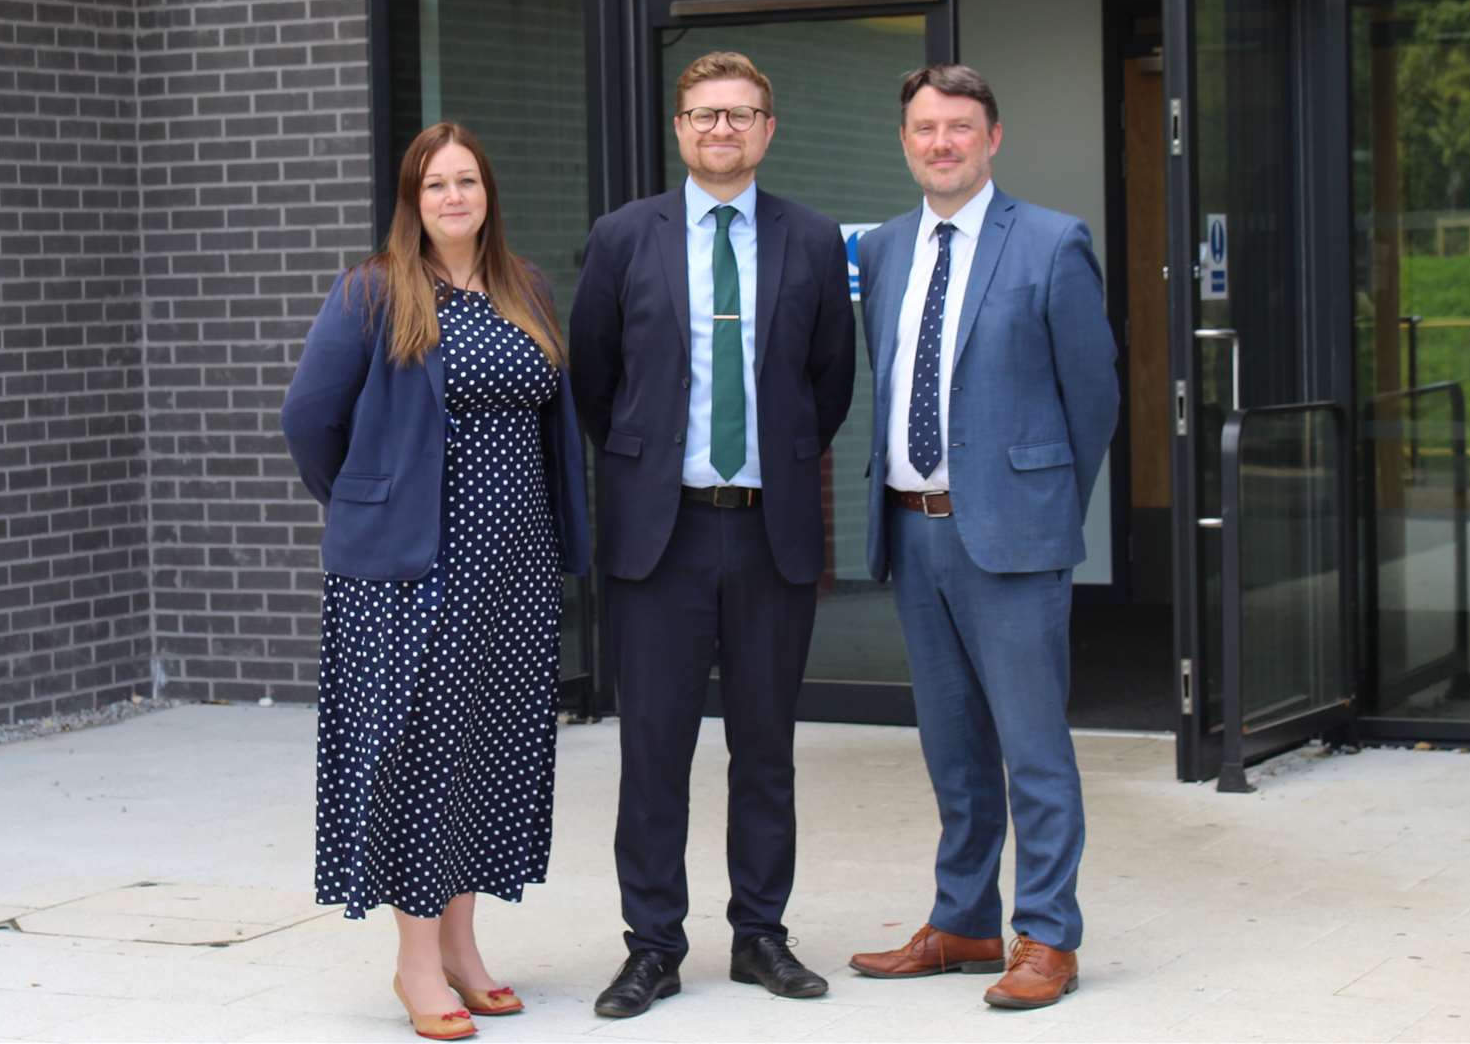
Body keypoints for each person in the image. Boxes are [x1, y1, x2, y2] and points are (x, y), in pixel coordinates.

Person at [279, 122, 589, 1041]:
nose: (453, 198)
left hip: (516, 567)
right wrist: (368, 502)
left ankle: (462, 945)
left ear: (487, 192)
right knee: (416, 756)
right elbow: (307, 417)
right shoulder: (374, 291)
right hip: (413, 573)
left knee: (490, 753)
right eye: (433, 186)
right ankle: (415, 961)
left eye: (466, 182)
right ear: (412, 203)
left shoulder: (521, 287)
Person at [569, 50, 856, 1019]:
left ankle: (759, 937)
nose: (720, 130)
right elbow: (595, 382)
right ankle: (651, 946)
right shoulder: (620, 237)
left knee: (765, 750)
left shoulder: (812, 240)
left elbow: (829, 382)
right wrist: (652, 466)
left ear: (768, 128)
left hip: (767, 531)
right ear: (678, 129)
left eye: (739, 114)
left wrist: (765, 457)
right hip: (661, 538)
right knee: (653, 750)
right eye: (701, 115)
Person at [847, 64, 1119, 1010]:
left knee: (1032, 747)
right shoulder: (883, 249)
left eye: (959, 127)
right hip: (913, 532)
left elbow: (1093, 400)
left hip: (1010, 539)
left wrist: (1039, 510)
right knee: (952, 748)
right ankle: (963, 921)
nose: (941, 144)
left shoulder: (1050, 243)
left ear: (992, 137)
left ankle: (1046, 934)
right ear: (905, 141)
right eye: (924, 128)